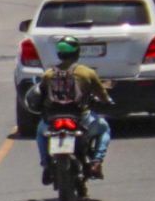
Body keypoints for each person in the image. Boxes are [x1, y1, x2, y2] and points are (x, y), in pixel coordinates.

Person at [30, 35, 114, 179]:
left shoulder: (48, 74)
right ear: (77, 53)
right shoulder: (87, 72)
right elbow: (102, 95)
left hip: (53, 120)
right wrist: (107, 101)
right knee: (104, 129)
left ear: (59, 54)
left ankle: (46, 164)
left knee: (40, 133)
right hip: (81, 118)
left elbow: (40, 95)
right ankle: (96, 162)